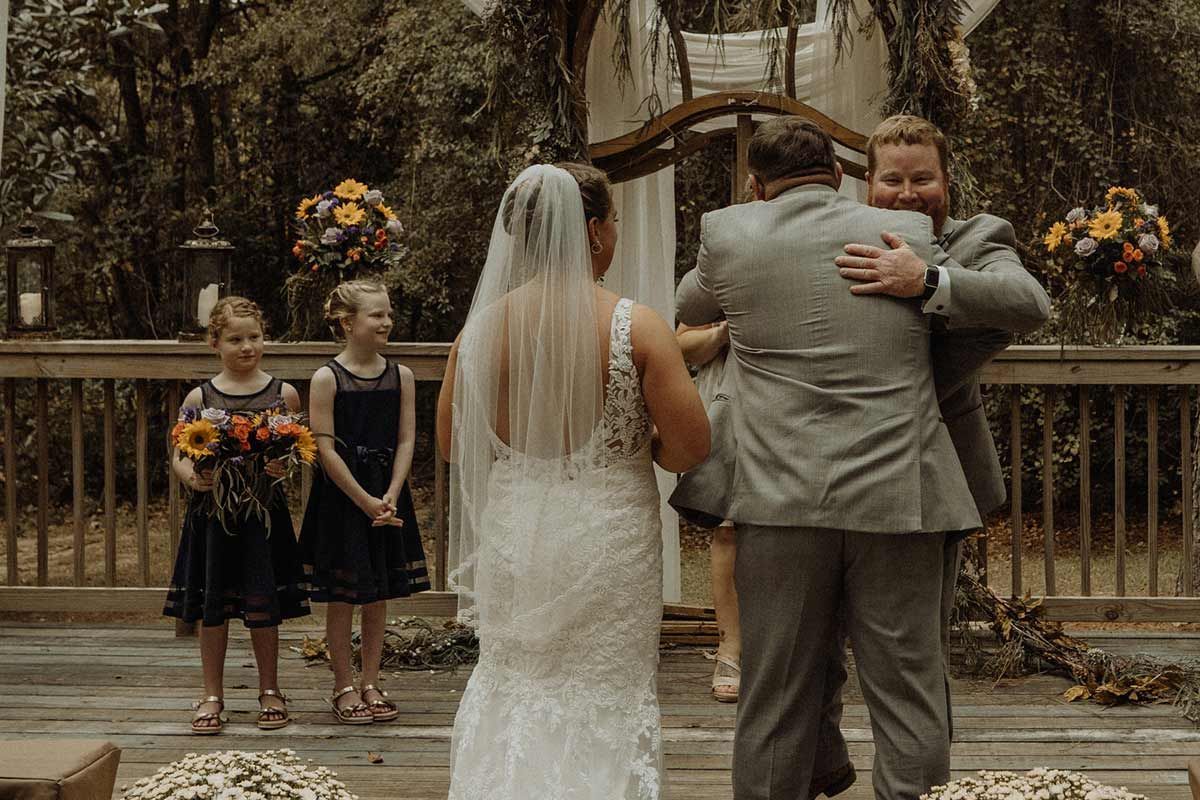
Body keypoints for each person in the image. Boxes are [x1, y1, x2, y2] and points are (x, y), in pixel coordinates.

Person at [671, 116, 982, 800]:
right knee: (908, 694)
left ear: (756, 185)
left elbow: (686, 309)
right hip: (899, 496)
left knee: (773, 692)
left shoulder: (727, 232)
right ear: (840, 175)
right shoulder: (907, 238)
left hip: (777, 502)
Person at [438, 162, 710, 799]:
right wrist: (639, 442)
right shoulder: (636, 327)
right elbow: (691, 448)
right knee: (603, 689)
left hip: (514, 533)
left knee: (515, 682)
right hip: (607, 537)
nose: (614, 232)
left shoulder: (478, 331)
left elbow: (453, 446)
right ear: (591, 231)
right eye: (613, 219)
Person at [805, 114, 1052, 792]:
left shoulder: (978, 237)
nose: (908, 193)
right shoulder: (822, 243)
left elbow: (1029, 301)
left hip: (927, 476)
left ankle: (916, 787)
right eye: (893, 179)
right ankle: (824, 764)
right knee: (808, 651)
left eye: (923, 179)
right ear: (866, 183)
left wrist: (928, 280)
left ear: (947, 180)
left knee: (913, 662)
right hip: (817, 473)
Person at [163, 296, 310, 735]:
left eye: (255, 337)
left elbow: (295, 448)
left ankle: (270, 689)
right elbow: (179, 452)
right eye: (235, 339)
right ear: (215, 343)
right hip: (213, 515)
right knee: (214, 605)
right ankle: (212, 693)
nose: (247, 347)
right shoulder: (200, 396)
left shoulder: (282, 394)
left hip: (262, 515)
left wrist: (284, 467)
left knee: (265, 604)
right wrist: (192, 476)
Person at [299, 279, 430, 725]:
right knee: (344, 595)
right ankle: (342, 685)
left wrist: (391, 493)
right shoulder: (326, 378)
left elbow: (407, 437)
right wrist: (364, 499)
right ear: (347, 322)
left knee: (377, 595)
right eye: (377, 315)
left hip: (387, 496)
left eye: (388, 313)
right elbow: (325, 449)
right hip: (343, 498)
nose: (387, 321)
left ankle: (371, 680)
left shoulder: (402, 376)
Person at [676, 320, 741, 702]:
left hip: (791, 401)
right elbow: (682, 344)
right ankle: (729, 650)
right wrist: (721, 334)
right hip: (727, 409)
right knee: (728, 529)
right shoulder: (720, 266)